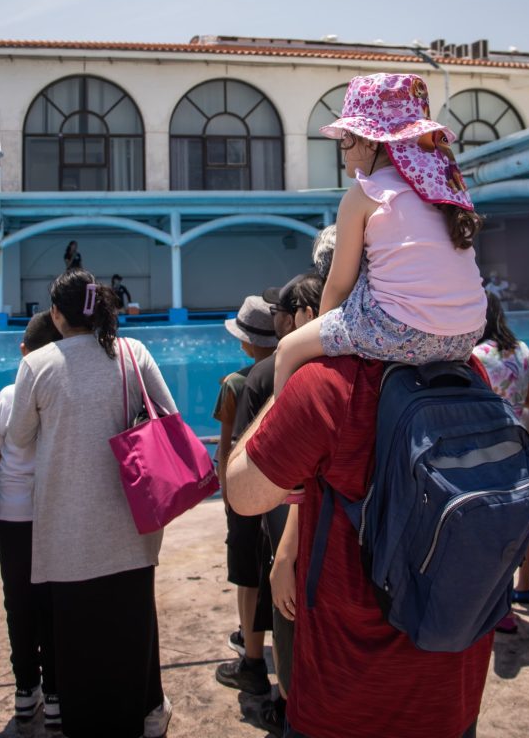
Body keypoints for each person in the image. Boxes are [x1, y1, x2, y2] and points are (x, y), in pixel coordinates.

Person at [226, 354, 491, 738]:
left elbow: (242, 493)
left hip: (344, 698)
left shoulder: (327, 383)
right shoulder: (468, 370)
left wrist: (290, 365)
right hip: (451, 685)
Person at [8, 269, 177, 738]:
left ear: (57, 314)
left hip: (67, 532)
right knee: (131, 632)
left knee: (78, 644)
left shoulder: (37, 365)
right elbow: (168, 417)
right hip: (132, 523)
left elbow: (19, 438)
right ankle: (141, 715)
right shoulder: (132, 352)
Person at [273, 73, 486, 397]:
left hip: (403, 330)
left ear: (370, 141)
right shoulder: (442, 188)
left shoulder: (363, 194)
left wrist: (317, 333)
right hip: (467, 333)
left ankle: (278, 445)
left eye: (346, 137)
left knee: (288, 350)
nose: (342, 148)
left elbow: (340, 283)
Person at [217, 273, 325, 737]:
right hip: (318, 523)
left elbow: (241, 463)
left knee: (280, 606)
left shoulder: (261, 378)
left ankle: (282, 698)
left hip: (278, 514)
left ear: (300, 316)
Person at [0, 311, 62, 726]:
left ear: (23, 352)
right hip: (51, 513)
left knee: (18, 603)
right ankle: (54, 695)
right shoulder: (61, 392)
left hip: (12, 515)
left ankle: (24, 689)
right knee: (51, 601)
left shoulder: (10, 395)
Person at [213, 295, 277, 699]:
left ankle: (250, 658)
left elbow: (224, 450)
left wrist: (227, 497)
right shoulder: (290, 372)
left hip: (246, 493)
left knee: (247, 576)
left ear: (245, 342)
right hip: (282, 493)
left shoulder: (234, 384)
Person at [472, 291, 529, 630]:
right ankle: (523, 587)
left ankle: (496, 607)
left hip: (484, 453)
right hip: (519, 451)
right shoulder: (522, 350)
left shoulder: (473, 356)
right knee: (520, 523)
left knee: (487, 531)